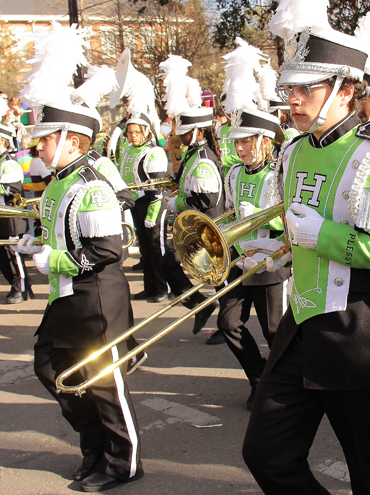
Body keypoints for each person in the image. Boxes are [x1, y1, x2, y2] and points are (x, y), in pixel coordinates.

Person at [242, 26, 370, 495]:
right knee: (266, 455)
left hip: (360, 334)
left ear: (346, 90)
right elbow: (298, 232)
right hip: (301, 325)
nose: (294, 100)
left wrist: (326, 237)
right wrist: (275, 249)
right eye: (291, 89)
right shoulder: (292, 149)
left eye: (308, 88)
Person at [14, 101, 143, 492]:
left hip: (95, 299)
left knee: (105, 384)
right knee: (48, 368)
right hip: (64, 296)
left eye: (45, 139)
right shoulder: (57, 182)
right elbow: (59, 234)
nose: (38, 147)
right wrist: (33, 244)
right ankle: (94, 448)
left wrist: (53, 258)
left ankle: (125, 464)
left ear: (72, 142)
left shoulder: (91, 185)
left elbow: (108, 250)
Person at [220, 108, 289, 410]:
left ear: (264, 141)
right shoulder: (233, 173)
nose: (239, 149)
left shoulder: (279, 173)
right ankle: (259, 378)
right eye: (237, 143)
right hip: (239, 259)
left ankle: (284, 386)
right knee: (227, 322)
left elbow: (291, 220)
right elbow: (232, 212)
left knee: (275, 332)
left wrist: (262, 219)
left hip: (271, 260)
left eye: (246, 142)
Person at [162, 108, 224, 338]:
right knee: (170, 262)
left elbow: (207, 201)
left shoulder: (204, 159)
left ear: (199, 132)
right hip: (195, 224)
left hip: (206, 226)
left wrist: (177, 203)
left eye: (187, 132)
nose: (182, 136)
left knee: (220, 278)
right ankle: (201, 305)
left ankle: (225, 323)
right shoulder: (193, 153)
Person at [119, 114, 170, 302]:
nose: (133, 136)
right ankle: (150, 287)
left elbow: (158, 185)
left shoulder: (154, 151)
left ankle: (164, 287)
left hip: (152, 203)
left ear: (146, 132)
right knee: (145, 249)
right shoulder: (128, 150)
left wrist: (152, 213)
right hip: (136, 204)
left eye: (137, 132)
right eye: (130, 132)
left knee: (157, 248)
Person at [0, 121, 33, 304]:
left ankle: (21, 288)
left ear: (3, 140)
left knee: (14, 253)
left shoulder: (9, 164)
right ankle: (20, 283)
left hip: (11, 215)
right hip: (0, 214)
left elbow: (12, 190)